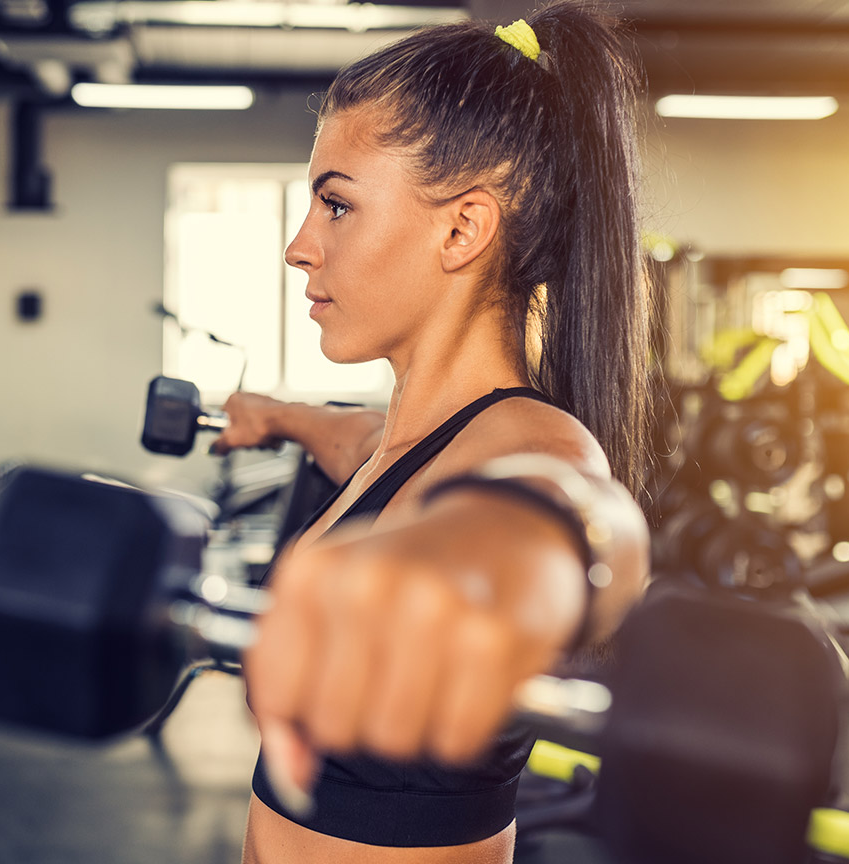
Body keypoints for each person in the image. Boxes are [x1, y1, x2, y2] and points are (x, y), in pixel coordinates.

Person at [210, 2, 655, 862]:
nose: (301, 247)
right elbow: (362, 447)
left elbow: (570, 520)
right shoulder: (411, 438)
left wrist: (478, 568)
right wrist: (279, 417)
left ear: (461, 229)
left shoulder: (531, 447)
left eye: (336, 206)